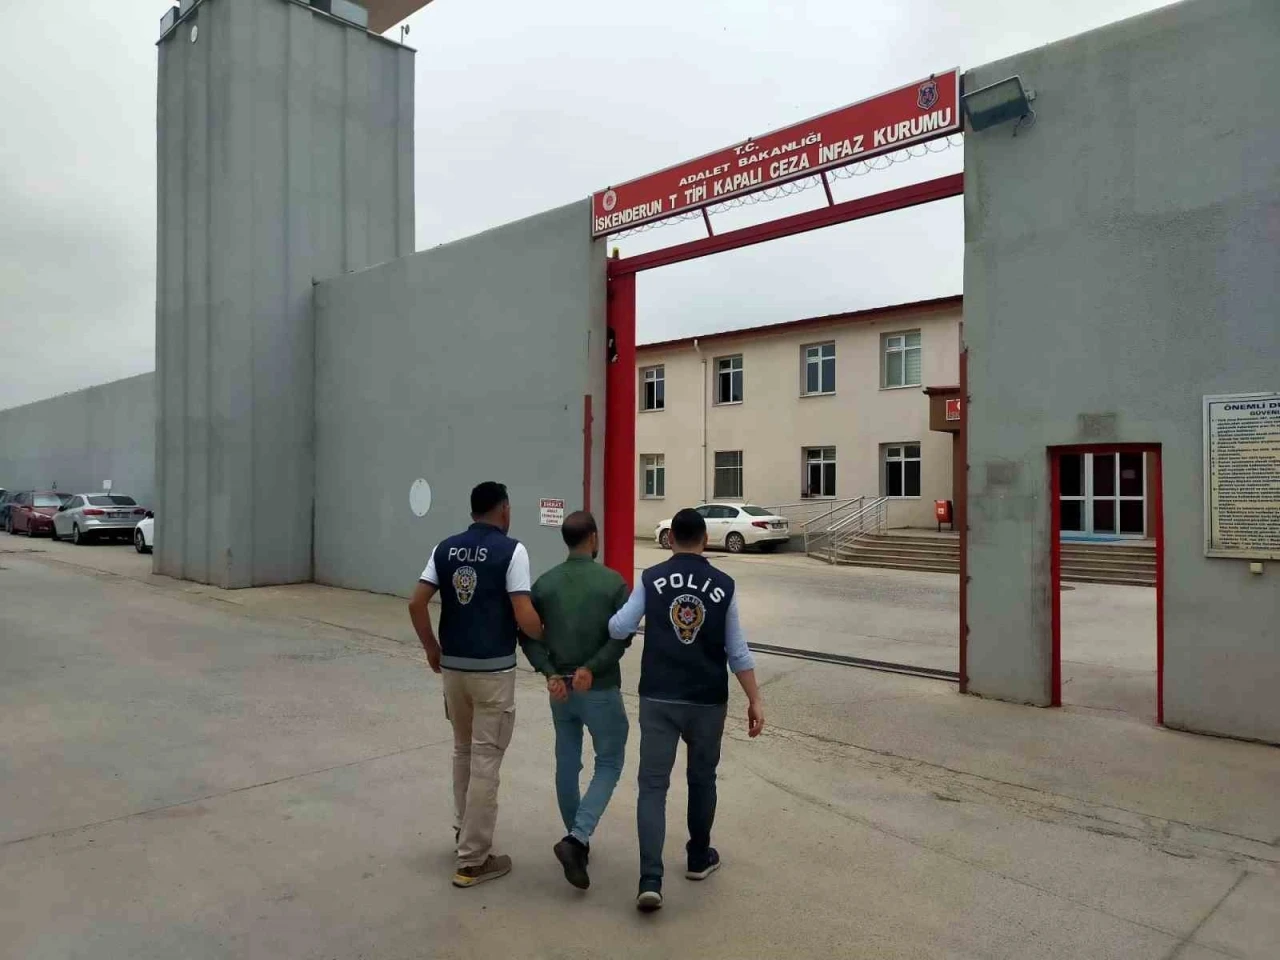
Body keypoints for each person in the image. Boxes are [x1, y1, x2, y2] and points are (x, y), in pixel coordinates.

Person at [608, 507, 765, 913]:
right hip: (707, 699)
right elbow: (737, 650)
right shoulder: (725, 584)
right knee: (702, 778)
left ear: (672, 539)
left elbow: (621, 627)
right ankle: (698, 857)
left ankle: (650, 880)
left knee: (652, 787)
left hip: (659, 696)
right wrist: (755, 698)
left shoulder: (651, 578)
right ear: (706, 540)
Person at [408, 481, 543, 889]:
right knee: (486, 760)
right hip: (493, 672)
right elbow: (524, 613)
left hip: (454, 669)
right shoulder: (512, 551)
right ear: (504, 509)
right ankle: (473, 860)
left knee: (463, 751)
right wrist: (545, 635)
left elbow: (416, 602)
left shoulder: (445, 548)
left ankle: (462, 832)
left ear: (472, 511)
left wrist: (432, 648)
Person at [520, 510, 632, 891]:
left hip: (560, 690)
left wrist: (549, 671)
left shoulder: (545, 585)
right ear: (594, 538)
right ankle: (577, 838)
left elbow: (526, 633)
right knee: (610, 761)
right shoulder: (613, 583)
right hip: (598, 688)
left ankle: (576, 841)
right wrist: (592, 668)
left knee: (567, 761)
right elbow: (623, 636)